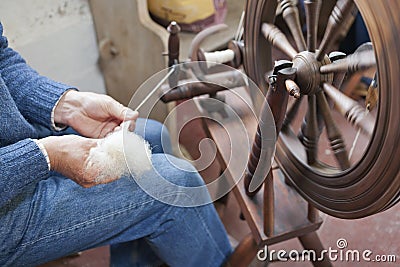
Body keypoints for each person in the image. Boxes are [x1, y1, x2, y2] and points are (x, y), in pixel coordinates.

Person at [0, 22, 232, 266]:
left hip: (15, 148)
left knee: (151, 135)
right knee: (177, 184)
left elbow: (3, 61)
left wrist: (69, 105)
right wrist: (45, 157)